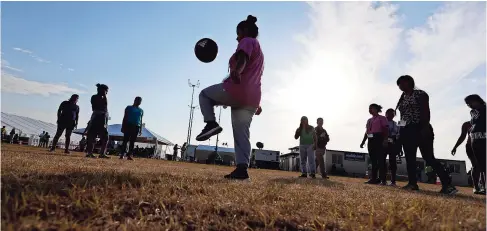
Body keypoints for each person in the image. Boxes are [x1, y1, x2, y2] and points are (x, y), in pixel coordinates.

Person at [194, 15, 264, 180]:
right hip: (252, 98)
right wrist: (257, 103)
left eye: (238, 33)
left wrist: (237, 70)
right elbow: (255, 77)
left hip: (237, 90)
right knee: (242, 135)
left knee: (204, 95)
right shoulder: (260, 52)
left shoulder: (247, 41)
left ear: (245, 31)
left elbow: (243, 59)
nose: (237, 37)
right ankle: (242, 170)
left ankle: (210, 123)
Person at [395, 75, 457, 194]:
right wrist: (400, 132)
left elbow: (425, 112)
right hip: (406, 130)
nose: (400, 86)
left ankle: (447, 184)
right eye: (398, 84)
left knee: (428, 157)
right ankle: (412, 183)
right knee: (410, 158)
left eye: (402, 83)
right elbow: (403, 117)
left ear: (409, 82)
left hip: (420, 128)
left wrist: (424, 128)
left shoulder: (420, 94)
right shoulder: (402, 98)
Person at [451, 121, 483, 194]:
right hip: (470, 147)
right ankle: (476, 187)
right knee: (476, 166)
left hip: (482, 147)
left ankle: (482, 186)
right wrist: (455, 147)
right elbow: (463, 136)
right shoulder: (466, 124)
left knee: (482, 166)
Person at [360, 104, 388, 185]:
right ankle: (373, 179)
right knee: (373, 160)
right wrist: (363, 142)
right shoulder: (369, 120)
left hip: (379, 138)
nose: (370, 110)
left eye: (371, 108)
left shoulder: (382, 118)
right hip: (371, 139)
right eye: (369, 108)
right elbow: (367, 132)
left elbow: (385, 129)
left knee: (381, 160)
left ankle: (383, 180)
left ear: (376, 109)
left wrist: (385, 140)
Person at [465, 94, 486, 194]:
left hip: (484, 138)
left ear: (476, 100)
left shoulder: (485, 109)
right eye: (467, 104)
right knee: (480, 164)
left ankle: (484, 186)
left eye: (470, 102)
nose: (469, 105)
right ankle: (480, 186)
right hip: (474, 140)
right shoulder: (472, 112)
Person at [84, 84, 110, 159]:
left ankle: (102, 153)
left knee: (105, 136)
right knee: (92, 135)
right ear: (101, 90)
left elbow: (105, 106)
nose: (106, 93)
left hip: (103, 118)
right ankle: (89, 153)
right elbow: (96, 108)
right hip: (96, 117)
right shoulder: (94, 97)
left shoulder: (104, 98)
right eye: (106, 91)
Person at [384, 108, 401, 186]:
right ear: (386, 114)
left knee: (393, 162)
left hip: (392, 144)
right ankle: (382, 179)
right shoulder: (382, 122)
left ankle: (393, 181)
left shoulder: (396, 124)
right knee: (381, 161)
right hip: (383, 143)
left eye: (393, 114)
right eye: (390, 113)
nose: (391, 115)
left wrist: (399, 147)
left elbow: (398, 135)